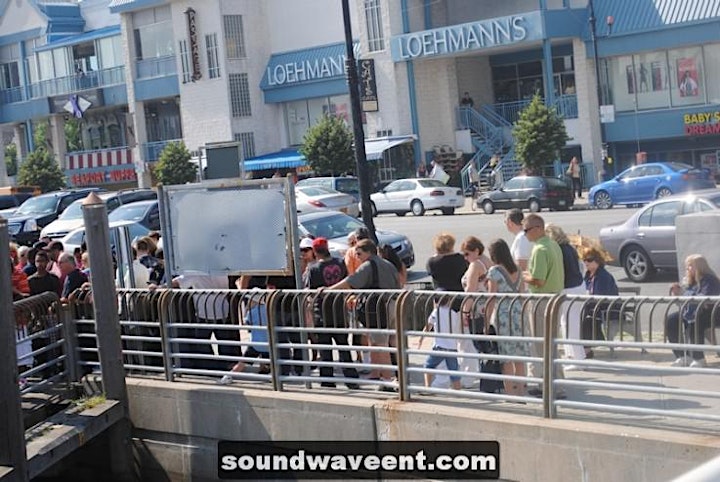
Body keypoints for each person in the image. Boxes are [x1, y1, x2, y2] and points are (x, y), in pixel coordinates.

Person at [327, 238, 400, 389]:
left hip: (378, 308)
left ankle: (388, 379)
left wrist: (328, 290)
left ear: (368, 252)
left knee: (381, 344)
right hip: (393, 304)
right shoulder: (388, 263)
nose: (357, 257)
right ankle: (385, 374)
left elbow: (350, 281)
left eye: (359, 253)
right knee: (390, 342)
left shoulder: (368, 265)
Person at [304, 237, 359, 389]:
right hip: (339, 311)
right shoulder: (340, 263)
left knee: (325, 350)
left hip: (321, 313)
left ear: (315, 251)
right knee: (343, 347)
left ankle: (327, 382)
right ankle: (352, 380)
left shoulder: (313, 269)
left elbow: (310, 292)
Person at [522, 214, 565, 397]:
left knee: (542, 345)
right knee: (552, 343)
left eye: (527, 230)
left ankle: (548, 386)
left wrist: (526, 277)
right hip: (555, 298)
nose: (525, 235)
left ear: (538, 228)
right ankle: (555, 383)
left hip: (541, 301)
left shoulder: (540, 249)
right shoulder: (553, 244)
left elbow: (538, 280)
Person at [486, 239, 529, 396]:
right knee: (520, 355)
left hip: (503, 314)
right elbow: (523, 294)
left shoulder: (494, 272)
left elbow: (492, 298)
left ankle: (510, 391)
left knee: (506, 357)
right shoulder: (517, 269)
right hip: (518, 311)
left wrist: (486, 321)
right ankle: (522, 390)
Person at [666, 254, 720, 368]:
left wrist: (687, 296)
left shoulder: (709, 279)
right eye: (687, 266)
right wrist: (678, 293)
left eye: (690, 266)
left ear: (699, 267)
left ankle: (698, 358)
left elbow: (705, 299)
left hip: (712, 313)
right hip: (693, 312)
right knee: (671, 320)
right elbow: (686, 302)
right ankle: (681, 356)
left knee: (695, 321)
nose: (687, 268)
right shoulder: (691, 282)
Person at [545, 224, 586, 368]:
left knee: (569, 325)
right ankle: (575, 356)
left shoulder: (558, 250)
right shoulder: (569, 248)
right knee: (570, 324)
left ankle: (576, 359)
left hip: (569, 289)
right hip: (578, 286)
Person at [219, 291, 271, 385]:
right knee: (269, 360)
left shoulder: (251, 312)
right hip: (268, 343)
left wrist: (247, 310)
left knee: (242, 362)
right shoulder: (268, 310)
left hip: (255, 344)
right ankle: (272, 376)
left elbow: (246, 323)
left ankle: (229, 376)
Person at [458, 236, 490, 387]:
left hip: (476, 309)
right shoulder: (487, 262)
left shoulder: (475, 265)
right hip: (486, 308)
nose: (465, 258)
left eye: (467, 254)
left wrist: (465, 312)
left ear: (476, 251)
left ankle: (469, 379)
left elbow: (470, 291)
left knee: (472, 345)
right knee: (485, 344)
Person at [417, 292, 463, 391]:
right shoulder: (454, 314)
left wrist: (421, 339)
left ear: (435, 301)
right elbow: (457, 328)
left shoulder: (435, 312)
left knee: (428, 366)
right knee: (454, 372)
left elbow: (428, 326)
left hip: (439, 346)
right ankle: (458, 390)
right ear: (449, 301)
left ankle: (427, 388)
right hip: (452, 348)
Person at [581, 247, 619, 359]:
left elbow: (601, 296)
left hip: (607, 308)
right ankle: (583, 347)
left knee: (586, 320)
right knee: (578, 317)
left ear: (597, 260)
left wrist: (588, 296)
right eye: (584, 259)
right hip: (593, 307)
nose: (586, 262)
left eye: (589, 259)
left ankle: (587, 350)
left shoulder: (603, 275)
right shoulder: (588, 275)